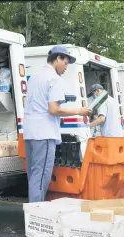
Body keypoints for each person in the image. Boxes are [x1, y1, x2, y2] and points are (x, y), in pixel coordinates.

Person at [23, 45, 92, 203]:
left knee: (34, 176)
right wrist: (79, 111)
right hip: (44, 133)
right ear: (57, 59)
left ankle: (33, 213)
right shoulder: (54, 79)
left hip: (30, 133)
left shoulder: (34, 77)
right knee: (41, 178)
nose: (66, 67)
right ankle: (36, 215)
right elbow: (53, 109)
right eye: (66, 62)